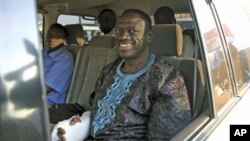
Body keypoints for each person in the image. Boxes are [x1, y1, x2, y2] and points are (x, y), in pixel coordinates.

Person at [55, 9, 191, 140]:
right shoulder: (109, 70)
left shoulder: (168, 80)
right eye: (119, 30)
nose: (123, 36)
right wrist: (81, 123)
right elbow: (95, 107)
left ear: (149, 36)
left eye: (133, 31)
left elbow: (163, 137)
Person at [43, 23, 74, 105]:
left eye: (57, 36)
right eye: (50, 35)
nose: (52, 39)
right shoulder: (45, 53)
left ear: (64, 40)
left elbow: (43, 90)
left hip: (47, 104)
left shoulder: (64, 59)